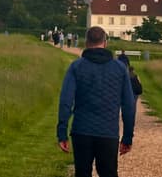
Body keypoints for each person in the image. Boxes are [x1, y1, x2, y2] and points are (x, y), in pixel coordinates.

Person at [57, 26, 136, 177]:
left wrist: (62, 132)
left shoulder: (76, 67)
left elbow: (65, 102)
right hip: (108, 132)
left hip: (81, 130)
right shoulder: (119, 69)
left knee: (82, 173)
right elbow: (129, 106)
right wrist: (127, 137)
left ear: (86, 43)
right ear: (105, 43)